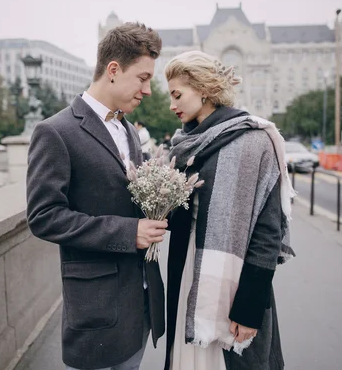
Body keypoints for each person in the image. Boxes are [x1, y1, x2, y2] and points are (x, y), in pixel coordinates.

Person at [26, 22, 168, 370]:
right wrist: (127, 232)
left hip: (140, 305)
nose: (148, 90)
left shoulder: (129, 132)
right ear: (114, 70)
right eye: (143, 78)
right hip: (96, 309)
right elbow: (43, 217)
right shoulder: (55, 132)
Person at [163, 51, 296, 370]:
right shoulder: (185, 145)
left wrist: (249, 308)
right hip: (189, 277)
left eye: (177, 94)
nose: (171, 105)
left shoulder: (255, 140)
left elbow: (268, 234)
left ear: (204, 89)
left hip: (236, 284)